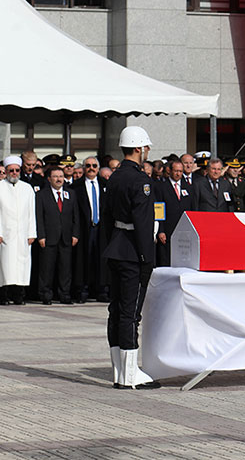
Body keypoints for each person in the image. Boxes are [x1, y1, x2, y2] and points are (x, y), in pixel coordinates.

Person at [101, 126, 161, 390]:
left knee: (116, 311)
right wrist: (147, 257)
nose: (147, 151)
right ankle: (129, 375)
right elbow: (143, 222)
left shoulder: (114, 177)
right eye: (145, 147)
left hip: (115, 247)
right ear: (138, 148)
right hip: (133, 253)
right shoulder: (140, 181)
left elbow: (105, 219)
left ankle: (119, 372)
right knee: (130, 313)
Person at [35, 166, 79, 305]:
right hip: (49, 237)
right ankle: (45, 294)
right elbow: (39, 217)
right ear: (49, 179)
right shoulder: (42, 195)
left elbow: (75, 216)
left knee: (65, 268)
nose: (58, 179)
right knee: (46, 268)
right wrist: (41, 235)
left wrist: (75, 234)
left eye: (60, 176)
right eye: (55, 176)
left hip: (66, 237)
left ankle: (64, 294)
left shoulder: (71, 194)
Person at [0, 156, 37, 305]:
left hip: (22, 234)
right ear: (6, 171)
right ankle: (3, 296)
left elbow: (31, 212)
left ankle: (19, 296)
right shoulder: (0, 187)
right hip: (5, 234)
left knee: (21, 267)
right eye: (11, 170)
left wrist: (31, 233)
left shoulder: (27, 188)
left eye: (16, 170)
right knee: (5, 266)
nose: (14, 173)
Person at [71, 156, 107, 303]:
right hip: (84, 229)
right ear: (84, 168)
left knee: (101, 259)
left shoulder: (106, 185)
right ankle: (82, 290)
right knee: (83, 259)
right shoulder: (75, 187)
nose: (91, 168)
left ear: (98, 168)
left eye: (94, 166)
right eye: (88, 166)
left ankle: (102, 290)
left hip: (102, 229)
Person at [156, 161, 194, 266]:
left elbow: (192, 207)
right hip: (168, 229)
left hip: (184, 230)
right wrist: (161, 230)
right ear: (170, 171)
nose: (178, 174)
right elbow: (159, 209)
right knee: (166, 260)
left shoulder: (189, 187)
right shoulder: (161, 187)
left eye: (181, 171)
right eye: (176, 171)